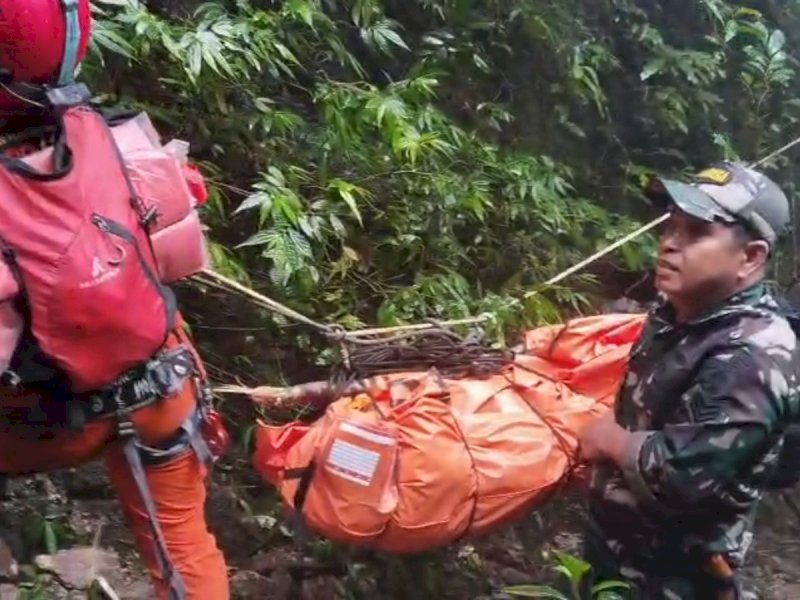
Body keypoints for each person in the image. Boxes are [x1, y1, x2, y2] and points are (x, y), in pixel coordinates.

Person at [0, 2, 229, 598]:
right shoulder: (111, 137)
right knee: (185, 552)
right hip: (158, 388)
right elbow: (179, 248)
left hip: (42, 422)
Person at [578, 161, 800, 599]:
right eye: (671, 226)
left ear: (750, 257)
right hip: (616, 552)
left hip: (674, 578)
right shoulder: (678, 312)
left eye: (697, 232)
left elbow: (683, 477)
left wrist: (610, 442)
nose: (669, 243)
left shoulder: (753, 352)